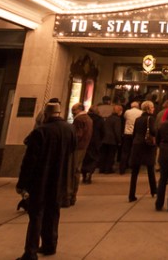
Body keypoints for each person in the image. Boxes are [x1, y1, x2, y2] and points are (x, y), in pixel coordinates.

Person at [16, 101, 76, 259]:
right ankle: (50, 244)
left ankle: (31, 251)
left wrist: (22, 183)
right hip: (60, 178)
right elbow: (72, 151)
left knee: (36, 215)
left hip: (40, 179)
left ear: (46, 114)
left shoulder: (40, 132)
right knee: (53, 212)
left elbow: (29, 161)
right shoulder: (70, 129)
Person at [128, 100, 157, 202]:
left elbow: (135, 132)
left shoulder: (138, 119)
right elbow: (153, 131)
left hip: (137, 144)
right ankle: (154, 189)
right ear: (149, 108)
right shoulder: (151, 119)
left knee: (135, 171)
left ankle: (131, 194)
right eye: (152, 107)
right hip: (147, 146)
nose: (153, 109)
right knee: (150, 168)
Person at [68, 103, 93, 206]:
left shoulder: (79, 119)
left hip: (77, 147)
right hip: (84, 146)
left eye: (74, 110)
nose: (72, 112)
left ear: (79, 109)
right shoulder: (88, 119)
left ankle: (70, 194)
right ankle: (72, 195)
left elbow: (78, 135)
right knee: (76, 170)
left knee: (72, 170)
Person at [81, 105, 103, 184]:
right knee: (93, 158)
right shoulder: (100, 120)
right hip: (95, 141)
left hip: (86, 140)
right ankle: (89, 173)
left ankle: (84, 174)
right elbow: (103, 131)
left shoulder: (85, 118)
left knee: (85, 158)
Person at [120, 101, 142, 174]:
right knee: (135, 151)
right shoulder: (141, 112)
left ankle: (122, 168)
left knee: (125, 151)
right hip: (136, 133)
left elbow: (125, 118)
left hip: (127, 133)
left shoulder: (127, 112)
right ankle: (133, 167)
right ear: (138, 106)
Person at [99, 104, 122, 174]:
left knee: (104, 155)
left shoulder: (108, 118)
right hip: (112, 140)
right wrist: (119, 141)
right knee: (110, 156)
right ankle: (108, 169)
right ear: (119, 111)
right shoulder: (117, 119)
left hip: (105, 139)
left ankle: (101, 168)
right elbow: (117, 131)